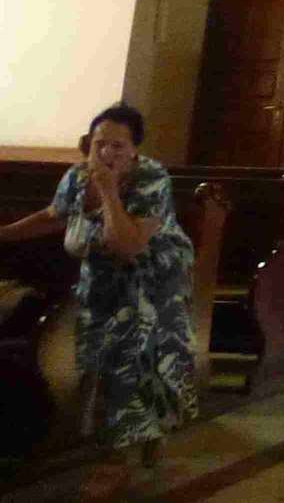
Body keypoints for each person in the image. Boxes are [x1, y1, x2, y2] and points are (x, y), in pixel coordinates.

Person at [0, 103, 198, 495]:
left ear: (135, 151)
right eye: (98, 144)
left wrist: (108, 191)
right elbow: (55, 215)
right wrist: (3, 234)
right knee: (85, 350)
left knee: (127, 351)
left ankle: (117, 458)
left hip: (153, 278)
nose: (106, 153)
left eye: (117, 146)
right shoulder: (77, 176)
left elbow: (127, 245)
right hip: (102, 277)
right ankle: (118, 434)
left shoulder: (151, 179)